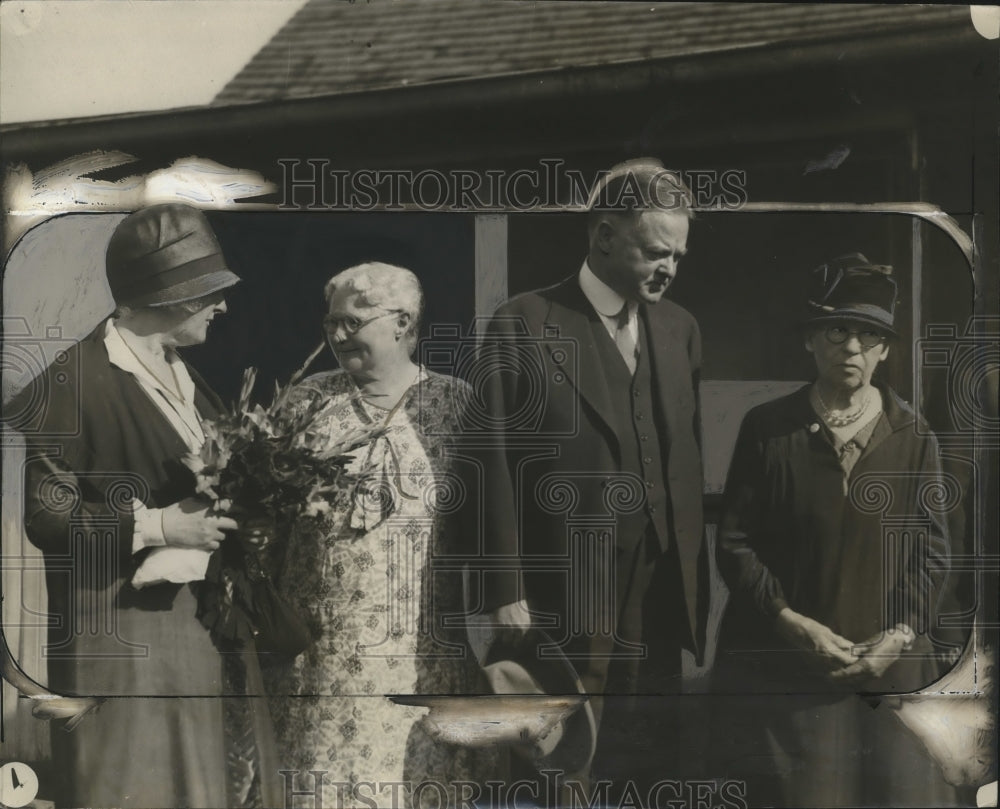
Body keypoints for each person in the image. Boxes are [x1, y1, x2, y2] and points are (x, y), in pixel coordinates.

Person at [11, 203, 280, 807]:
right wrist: (162, 525)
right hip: (122, 637)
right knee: (135, 787)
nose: (222, 307)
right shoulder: (71, 381)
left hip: (197, 630)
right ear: (175, 294)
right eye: (212, 292)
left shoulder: (188, 381)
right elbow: (47, 517)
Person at [472, 158, 709, 789]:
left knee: (646, 756)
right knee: (560, 758)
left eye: (679, 256)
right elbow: (490, 458)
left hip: (660, 584)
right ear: (604, 234)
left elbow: (686, 453)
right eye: (657, 252)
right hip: (565, 583)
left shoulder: (680, 328)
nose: (670, 269)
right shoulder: (523, 323)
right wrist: (504, 588)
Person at [711, 253, 957, 807]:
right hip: (791, 675)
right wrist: (792, 622)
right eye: (837, 331)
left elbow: (934, 552)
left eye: (868, 336)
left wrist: (898, 637)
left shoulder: (914, 435)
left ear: (885, 350)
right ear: (810, 340)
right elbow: (735, 544)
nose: (851, 348)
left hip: (894, 674)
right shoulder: (769, 429)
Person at [266, 262, 497, 808]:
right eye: (331, 323)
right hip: (323, 662)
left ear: (403, 322)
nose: (338, 334)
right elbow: (261, 517)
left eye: (353, 321)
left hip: (422, 659)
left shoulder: (454, 404)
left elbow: (494, 518)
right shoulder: (305, 404)